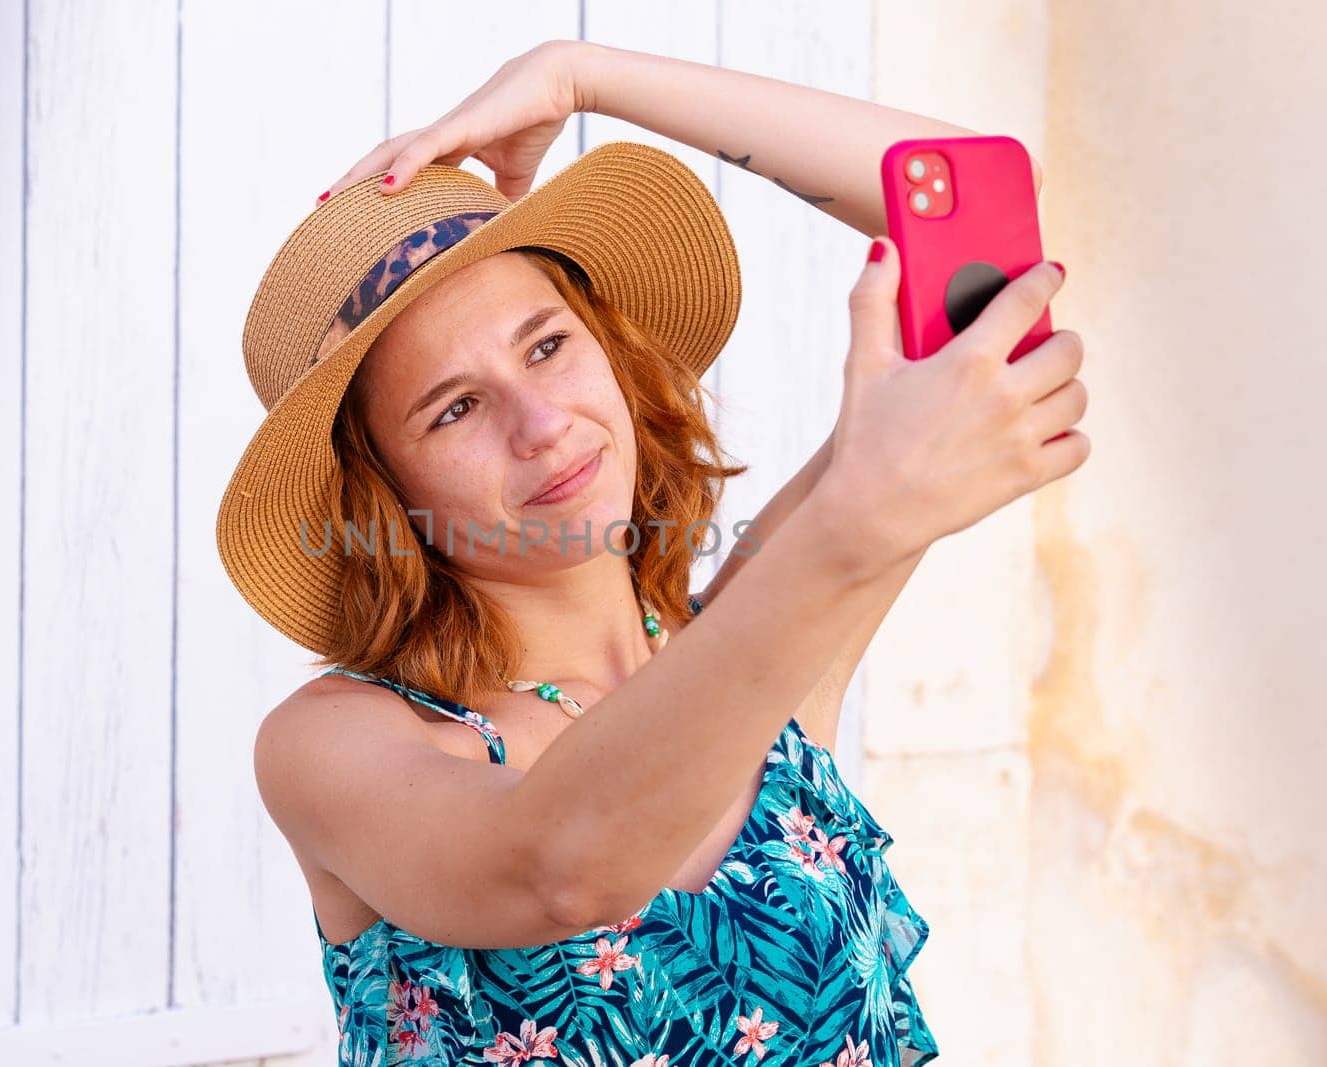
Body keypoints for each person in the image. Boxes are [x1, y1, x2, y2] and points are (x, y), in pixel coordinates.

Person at [216, 41, 1086, 1067]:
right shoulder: (337, 743)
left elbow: (970, 202)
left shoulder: (747, 646)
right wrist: (851, 525)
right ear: (384, 490)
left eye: (547, 345)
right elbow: (556, 865)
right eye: (454, 408)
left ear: (612, 353)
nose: (542, 422)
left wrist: (582, 77)